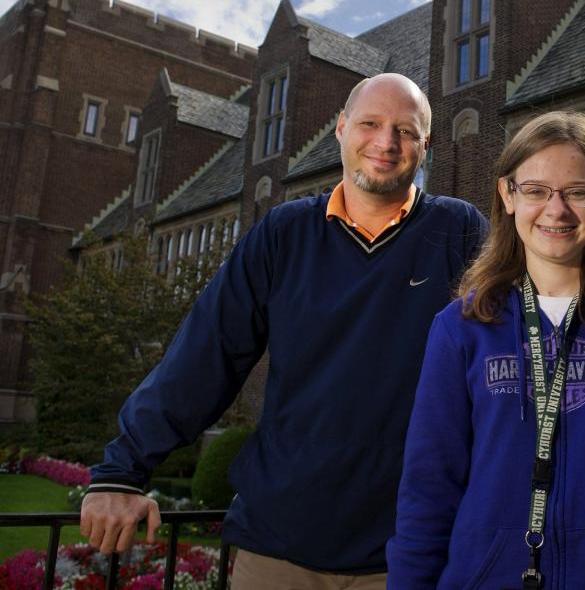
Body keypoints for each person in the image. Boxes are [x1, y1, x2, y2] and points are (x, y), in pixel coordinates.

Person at [80, 73, 488, 588]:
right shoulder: (283, 232)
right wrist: (123, 470)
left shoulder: (460, 230)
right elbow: (207, 353)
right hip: (279, 548)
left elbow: (523, 354)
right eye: (370, 124)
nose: (387, 143)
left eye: (406, 131)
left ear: (426, 146)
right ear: (340, 129)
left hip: (411, 552)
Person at [386, 111, 585, 589]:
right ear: (508, 195)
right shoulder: (461, 328)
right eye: (536, 191)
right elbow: (427, 491)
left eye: (576, 192)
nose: (555, 210)